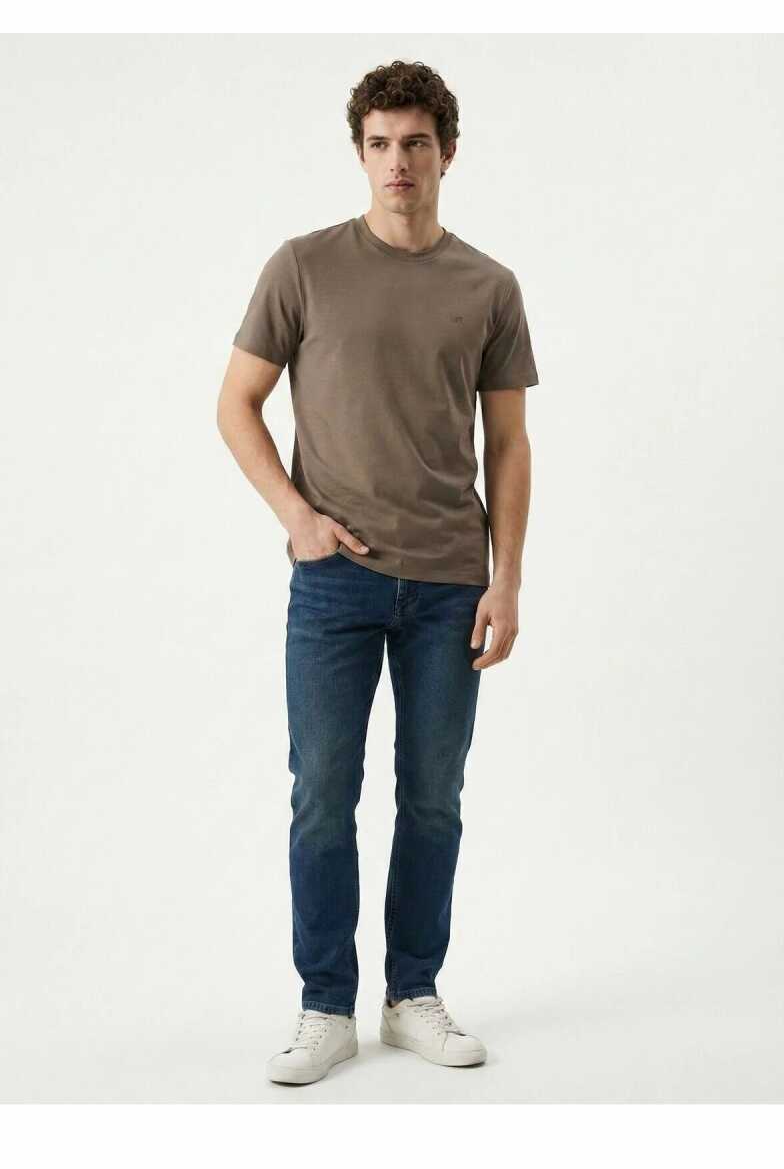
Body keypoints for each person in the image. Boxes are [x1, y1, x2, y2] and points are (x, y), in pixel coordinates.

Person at [217, 59, 538, 1086]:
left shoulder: (488, 286)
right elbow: (235, 403)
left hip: (450, 584)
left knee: (432, 798)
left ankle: (410, 997)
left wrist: (506, 580)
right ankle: (324, 1005)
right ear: (359, 153)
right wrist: (297, 517)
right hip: (334, 585)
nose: (398, 161)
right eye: (379, 144)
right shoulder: (303, 267)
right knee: (322, 794)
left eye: (416, 143)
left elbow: (509, 445)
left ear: (448, 153)